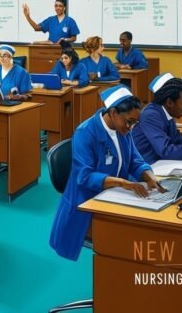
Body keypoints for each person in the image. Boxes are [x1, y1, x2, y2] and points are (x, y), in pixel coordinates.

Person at [49, 85, 164, 261]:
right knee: (129, 237)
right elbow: (84, 177)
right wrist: (123, 183)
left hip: (113, 196)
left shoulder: (123, 129)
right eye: (129, 121)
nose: (131, 127)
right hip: (86, 203)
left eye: (135, 123)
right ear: (112, 113)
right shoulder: (85, 132)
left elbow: (135, 159)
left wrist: (149, 176)